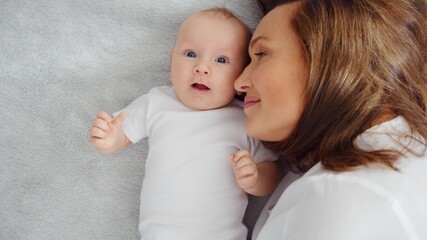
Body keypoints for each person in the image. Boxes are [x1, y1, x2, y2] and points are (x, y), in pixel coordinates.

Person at [233, 0, 427, 239]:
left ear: (333, 57)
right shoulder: (399, 150)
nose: (239, 83)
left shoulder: (342, 198)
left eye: (261, 54)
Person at [89, 7, 280, 240]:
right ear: (171, 61)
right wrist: (110, 139)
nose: (201, 68)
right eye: (190, 54)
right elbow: (123, 133)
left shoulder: (244, 120)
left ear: (241, 75)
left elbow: (272, 172)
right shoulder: (157, 102)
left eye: (221, 60)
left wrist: (255, 178)